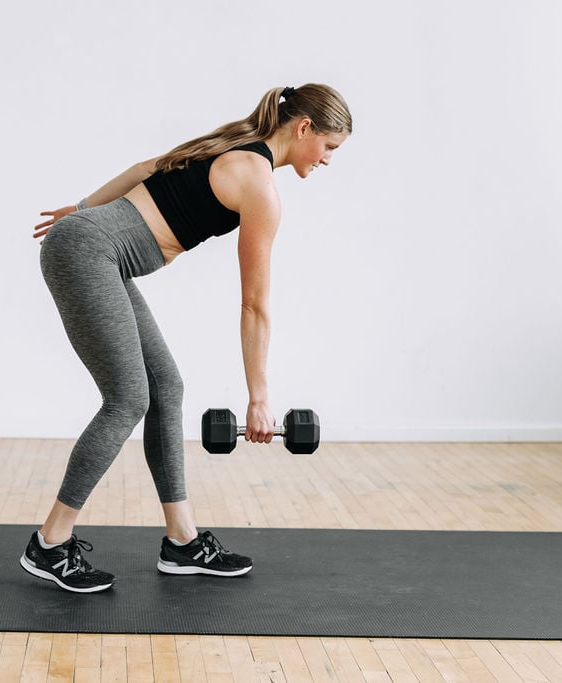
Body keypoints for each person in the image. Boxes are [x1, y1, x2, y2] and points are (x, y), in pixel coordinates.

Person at [24, 84, 352, 592]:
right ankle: (49, 543)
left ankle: (182, 541)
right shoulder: (260, 188)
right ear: (304, 128)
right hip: (90, 252)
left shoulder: (232, 142)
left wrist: (83, 208)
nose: (329, 159)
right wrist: (259, 398)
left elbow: (144, 168)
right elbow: (254, 305)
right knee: (127, 398)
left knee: (165, 387)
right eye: (329, 146)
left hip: (94, 248)